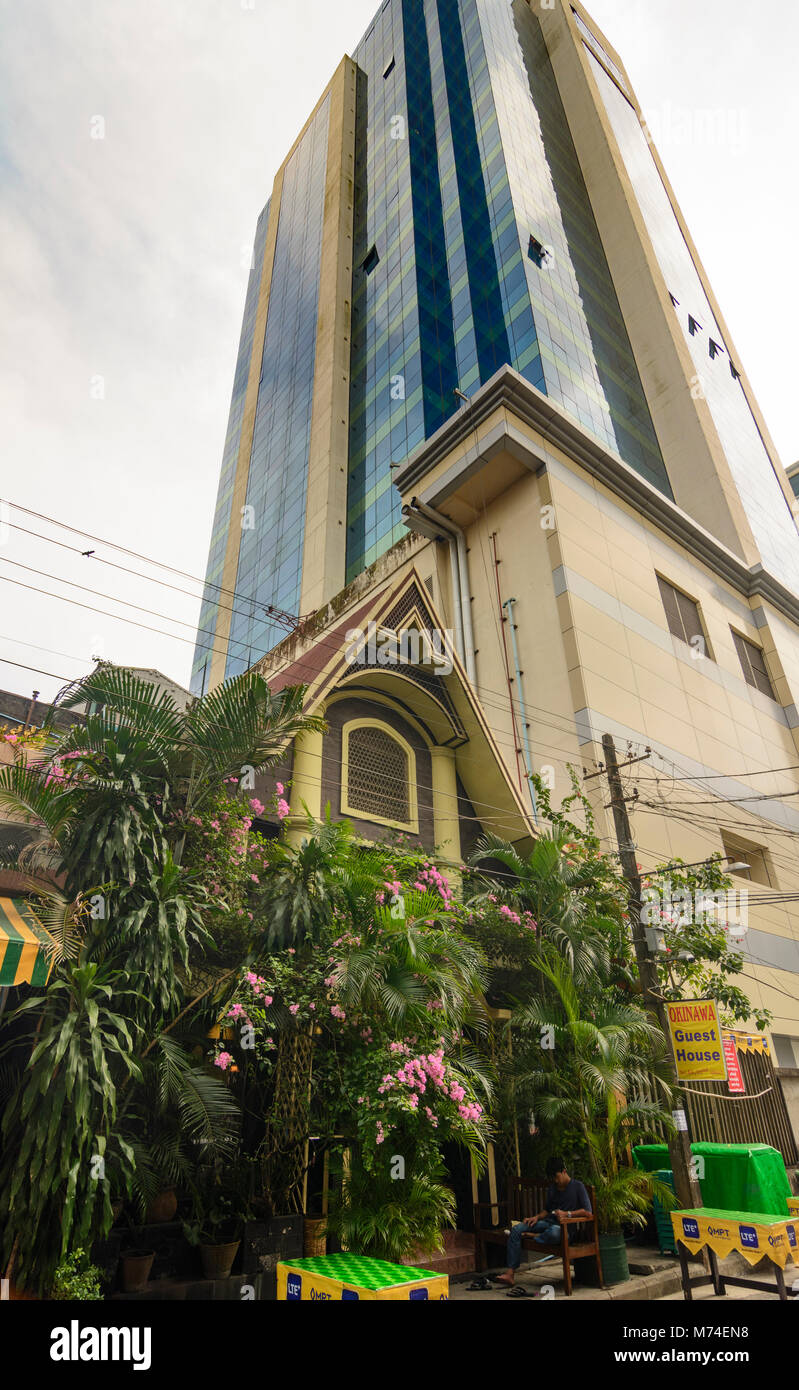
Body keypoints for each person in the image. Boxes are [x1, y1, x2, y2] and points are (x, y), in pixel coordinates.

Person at [494, 1157, 593, 1287]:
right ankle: (510, 1274)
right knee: (517, 1229)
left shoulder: (577, 1187)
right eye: (553, 1178)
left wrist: (567, 1214)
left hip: (565, 1229)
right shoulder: (553, 1188)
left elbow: (588, 1212)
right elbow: (547, 1210)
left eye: (557, 1177)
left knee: (553, 1232)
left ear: (564, 1171)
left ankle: (534, 1236)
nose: (555, 1181)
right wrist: (535, 1217)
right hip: (548, 1223)